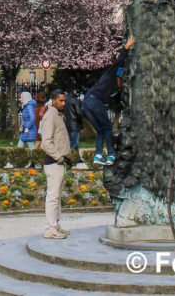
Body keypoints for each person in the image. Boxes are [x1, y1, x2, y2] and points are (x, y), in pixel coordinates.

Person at [84, 36, 136, 165]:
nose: (121, 85)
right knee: (107, 128)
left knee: (100, 130)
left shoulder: (113, 90)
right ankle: (111, 155)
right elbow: (118, 62)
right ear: (118, 77)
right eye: (121, 82)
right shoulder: (110, 76)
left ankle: (98, 156)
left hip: (86, 103)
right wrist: (127, 47)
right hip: (93, 101)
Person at [40, 89, 72, 239]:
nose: (63, 103)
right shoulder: (50, 117)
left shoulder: (58, 115)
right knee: (53, 196)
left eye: (65, 100)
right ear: (53, 101)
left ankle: (55, 225)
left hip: (60, 161)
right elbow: (46, 142)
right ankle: (50, 228)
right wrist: (58, 156)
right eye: (61, 100)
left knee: (57, 196)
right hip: (54, 162)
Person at [63, 87, 83, 153]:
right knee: (74, 141)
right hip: (75, 123)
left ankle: (77, 156)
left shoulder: (65, 100)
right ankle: (66, 154)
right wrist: (81, 121)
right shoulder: (75, 100)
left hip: (67, 123)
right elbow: (79, 113)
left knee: (73, 140)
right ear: (74, 91)